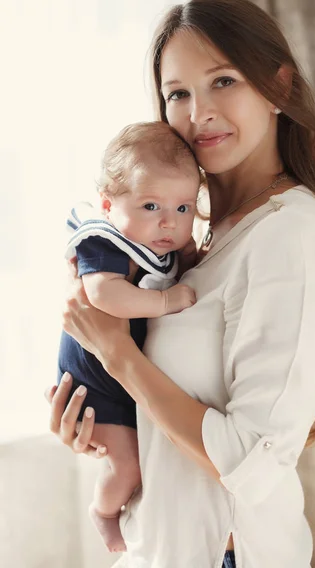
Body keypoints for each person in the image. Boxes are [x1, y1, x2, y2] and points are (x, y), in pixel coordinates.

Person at [46, 0, 315, 568]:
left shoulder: (291, 235)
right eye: (178, 93)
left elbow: (248, 457)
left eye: (222, 81)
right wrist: (97, 422)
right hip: (154, 545)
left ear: (278, 87)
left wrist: (117, 351)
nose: (198, 111)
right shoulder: (186, 242)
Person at [57, 121, 199, 553]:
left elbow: (187, 255)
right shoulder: (107, 241)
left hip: (123, 374)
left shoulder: (160, 242)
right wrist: (165, 302)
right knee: (128, 463)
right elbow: (101, 293)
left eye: (183, 208)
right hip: (95, 380)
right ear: (107, 205)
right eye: (151, 205)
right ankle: (102, 512)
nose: (168, 223)